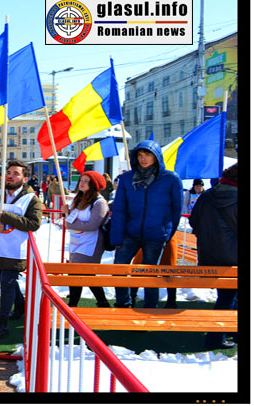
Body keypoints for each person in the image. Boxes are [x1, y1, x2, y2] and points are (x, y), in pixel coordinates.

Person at [109, 139, 183, 309]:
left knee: (150, 274)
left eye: (148, 154)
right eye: (140, 155)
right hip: (130, 233)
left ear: (157, 156)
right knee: (119, 269)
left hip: (155, 234)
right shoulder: (127, 178)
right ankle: (123, 304)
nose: (143, 158)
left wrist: (166, 233)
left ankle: (150, 307)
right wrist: (116, 237)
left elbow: (176, 210)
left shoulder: (171, 179)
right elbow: (119, 209)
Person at [0, 160, 43, 339]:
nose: (11, 176)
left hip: (16, 250)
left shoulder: (31, 199)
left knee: (6, 285)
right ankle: (20, 306)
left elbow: (34, 223)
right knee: (6, 281)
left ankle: (2, 324)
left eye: (16, 173)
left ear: (25, 178)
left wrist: (7, 217)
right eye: (9, 172)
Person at [189, 163, 237, 349]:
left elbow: (193, 220)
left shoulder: (207, 195)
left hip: (209, 254)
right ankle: (216, 337)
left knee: (227, 295)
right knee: (228, 297)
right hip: (233, 256)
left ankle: (230, 331)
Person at [61, 171, 111, 308]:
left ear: (93, 185)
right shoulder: (78, 199)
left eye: (86, 181)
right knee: (86, 274)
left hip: (91, 243)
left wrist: (70, 223)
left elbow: (93, 224)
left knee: (77, 273)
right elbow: (72, 217)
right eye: (81, 180)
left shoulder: (99, 203)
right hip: (76, 241)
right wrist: (66, 212)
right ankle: (102, 302)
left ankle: (72, 305)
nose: (81, 183)